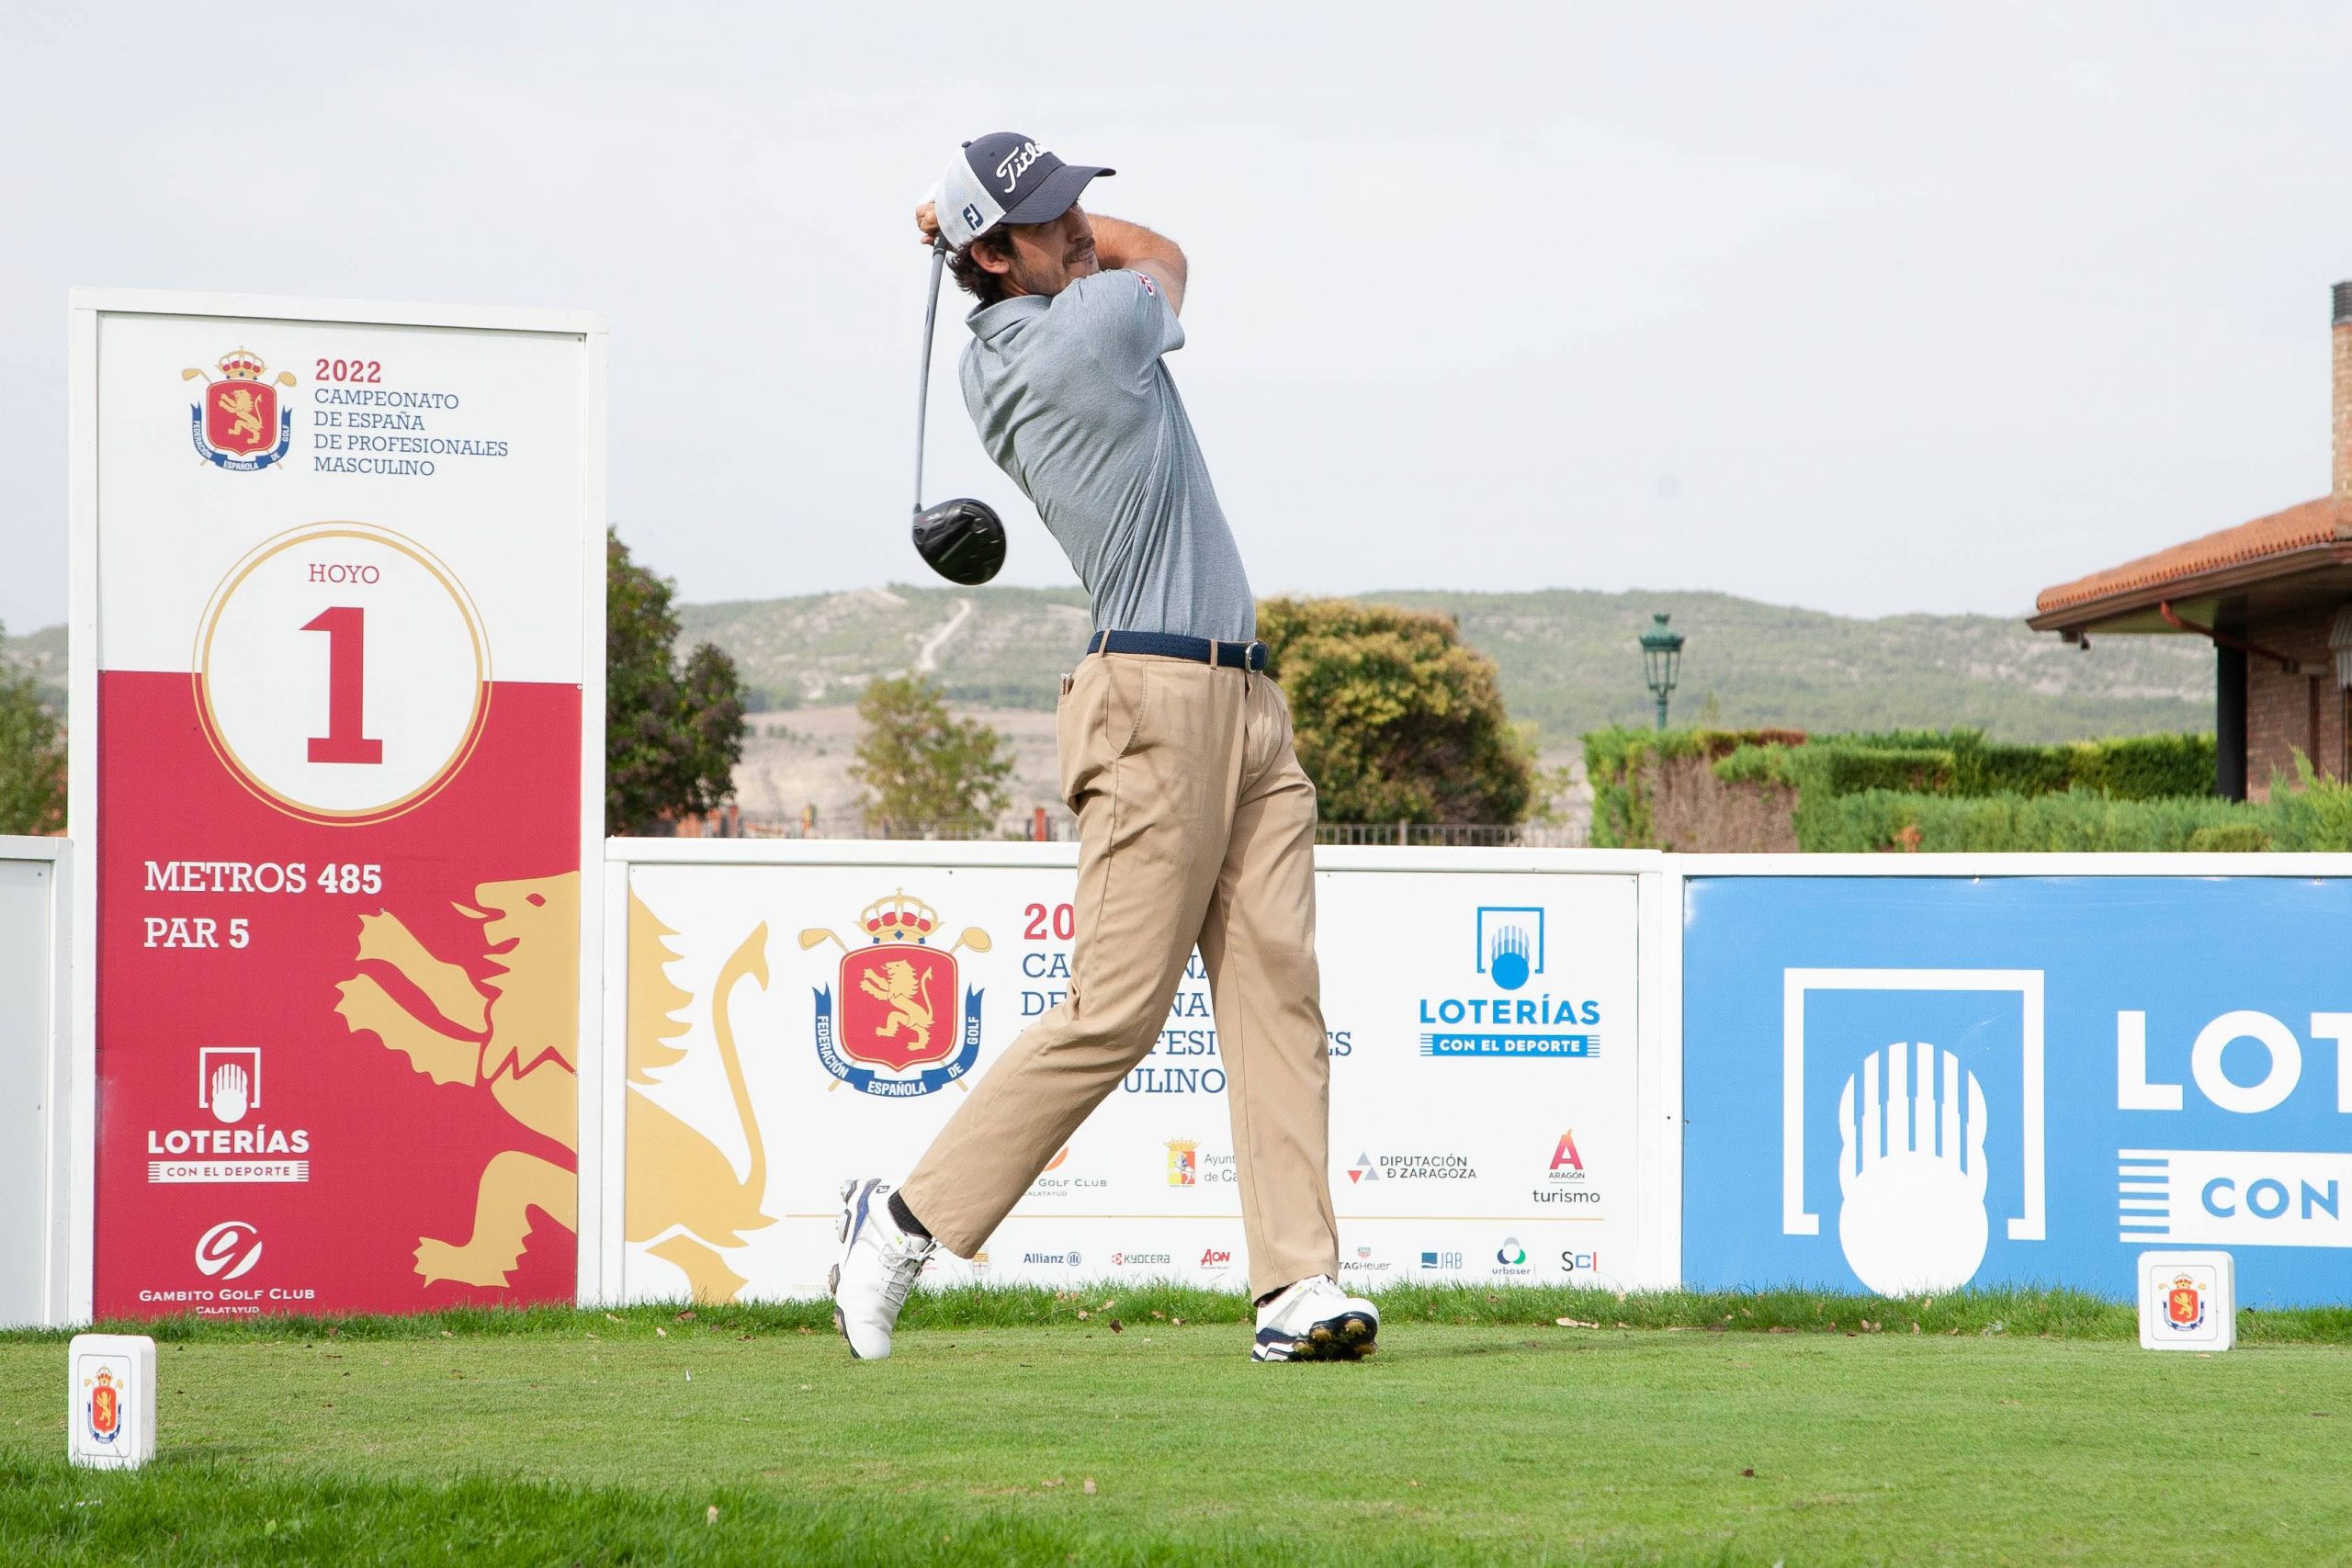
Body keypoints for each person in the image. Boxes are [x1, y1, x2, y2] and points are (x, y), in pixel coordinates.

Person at [829, 132, 1376, 1364]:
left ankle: (1296, 1285)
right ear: (992, 256)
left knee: (1278, 996)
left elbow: (1086, 251)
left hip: (1246, 701)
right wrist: (978, 226)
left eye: (1080, 206)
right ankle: (902, 1223)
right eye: (1050, 219)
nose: (1081, 230)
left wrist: (979, 225)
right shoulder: (1092, 330)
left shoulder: (1008, 342)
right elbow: (1163, 252)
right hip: (1153, 706)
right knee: (1114, 1013)